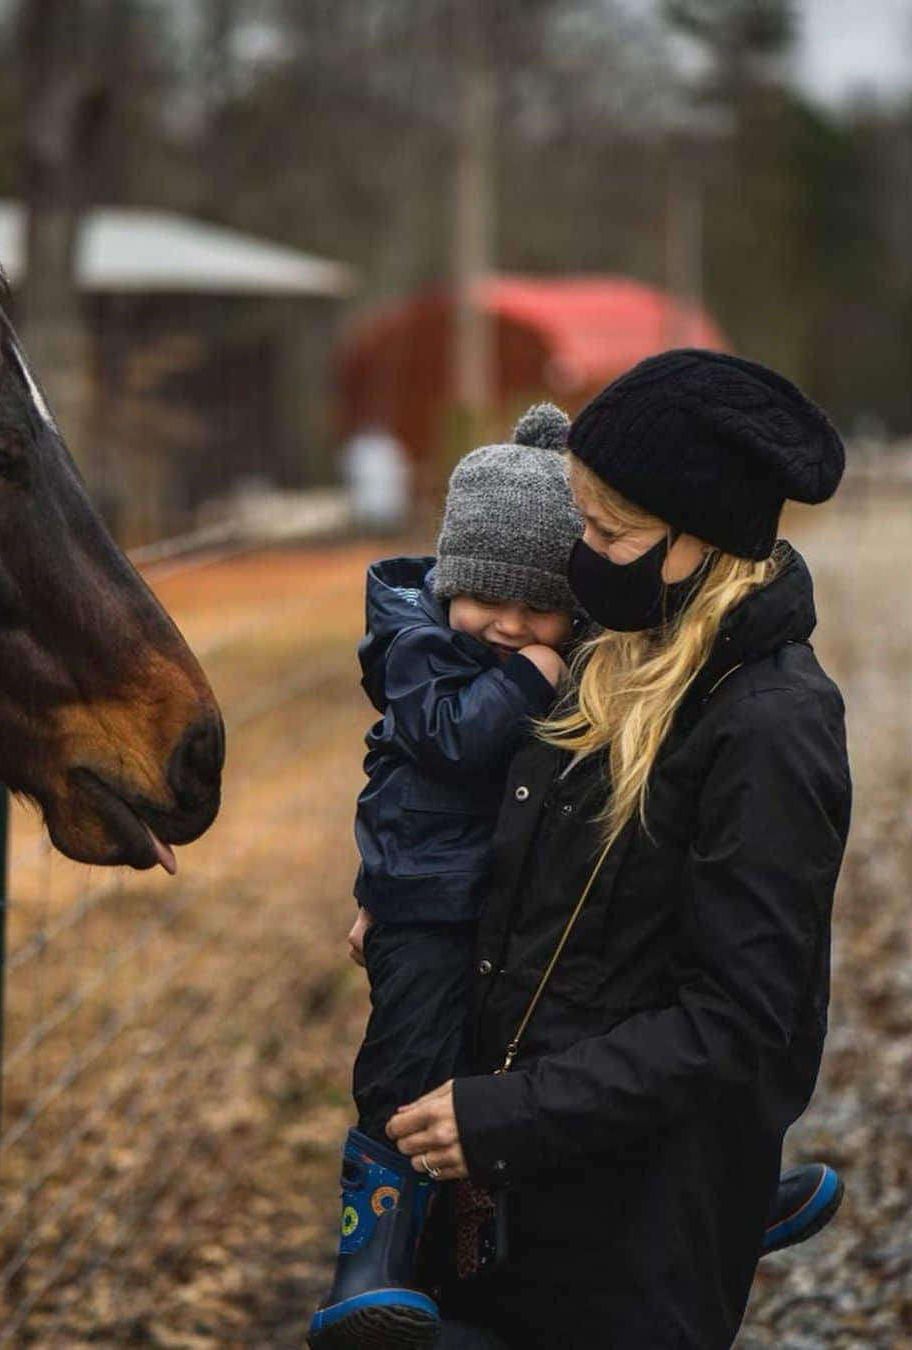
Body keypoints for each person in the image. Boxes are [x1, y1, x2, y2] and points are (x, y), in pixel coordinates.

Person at [384, 350, 852, 1350]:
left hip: (631, 1238)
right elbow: (549, 886)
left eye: (610, 532)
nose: (584, 556)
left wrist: (509, 1116)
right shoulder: (613, 652)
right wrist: (420, 900)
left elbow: (740, 1022)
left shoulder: (770, 727)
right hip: (505, 1192)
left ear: (701, 537)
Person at [307, 407, 584, 1349]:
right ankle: (369, 1261)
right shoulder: (422, 647)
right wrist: (532, 672)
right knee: (410, 1072)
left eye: (536, 606)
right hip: (426, 906)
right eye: (486, 599)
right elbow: (453, 741)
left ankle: (691, 1194)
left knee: (526, 1074)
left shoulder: (551, 654)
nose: (507, 624)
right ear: (449, 582)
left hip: (508, 910)